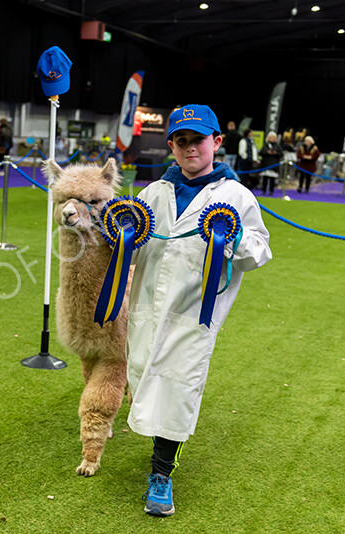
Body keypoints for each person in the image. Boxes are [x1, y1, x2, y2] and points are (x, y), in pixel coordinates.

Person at [127, 104, 271, 518]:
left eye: (199, 139)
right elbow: (135, 243)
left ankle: (161, 474)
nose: (191, 148)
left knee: (178, 385)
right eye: (182, 140)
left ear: (217, 143)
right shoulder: (152, 192)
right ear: (171, 144)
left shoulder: (236, 196)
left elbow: (260, 251)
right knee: (143, 373)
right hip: (147, 310)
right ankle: (160, 446)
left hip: (195, 313)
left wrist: (234, 236)